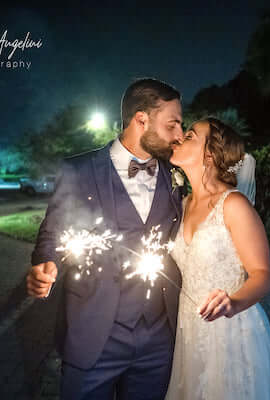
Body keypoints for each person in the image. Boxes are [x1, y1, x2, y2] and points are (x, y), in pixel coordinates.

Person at [27, 77, 185, 399]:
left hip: (158, 338)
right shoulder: (78, 171)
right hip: (94, 332)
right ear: (141, 119)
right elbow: (54, 231)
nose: (179, 135)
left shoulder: (176, 175)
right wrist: (45, 263)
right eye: (173, 125)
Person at [165, 117, 270, 399]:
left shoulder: (234, 205)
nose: (180, 138)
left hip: (231, 332)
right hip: (189, 330)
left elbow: (263, 275)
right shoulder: (182, 204)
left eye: (190, 135)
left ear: (209, 154)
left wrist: (233, 302)